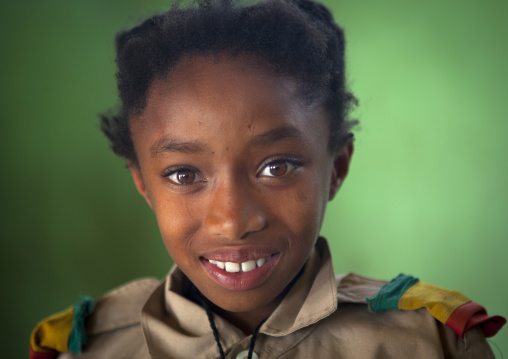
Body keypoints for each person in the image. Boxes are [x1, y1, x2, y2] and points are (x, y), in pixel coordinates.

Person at [29, 0, 505, 358]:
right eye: (183, 174)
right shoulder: (82, 348)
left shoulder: (432, 344)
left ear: (336, 169)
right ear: (142, 184)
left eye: (276, 167)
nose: (233, 221)